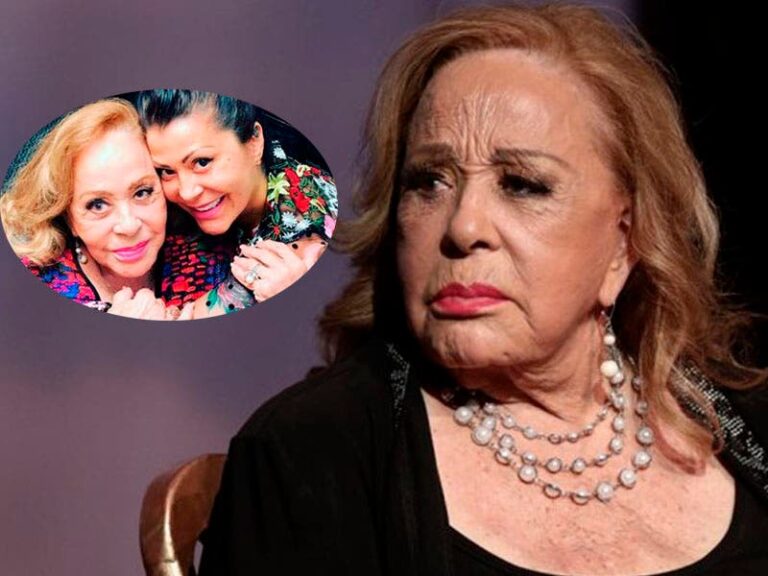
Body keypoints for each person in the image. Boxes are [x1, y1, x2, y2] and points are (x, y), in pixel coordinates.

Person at [199, 4, 768, 575]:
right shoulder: (310, 451)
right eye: (428, 182)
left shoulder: (747, 423)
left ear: (626, 240)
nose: (463, 226)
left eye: (522, 184)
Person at [132, 90, 338, 315]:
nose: (187, 192)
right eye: (166, 171)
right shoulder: (167, 208)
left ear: (254, 142)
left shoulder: (303, 227)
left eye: (202, 162)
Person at [0, 99, 178, 320]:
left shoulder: (206, 255)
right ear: (68, 216)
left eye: (142, 192)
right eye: (97, 205)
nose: (129, 226)